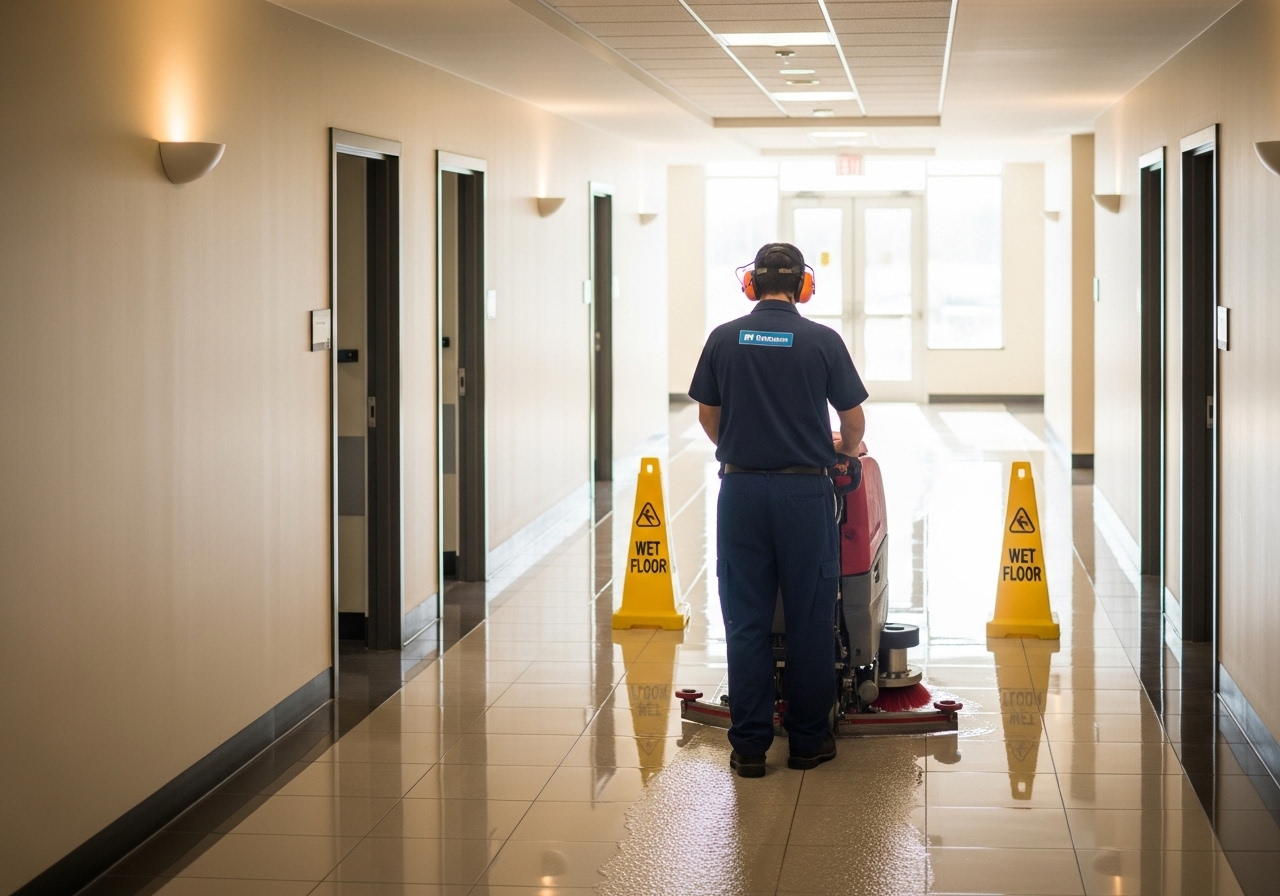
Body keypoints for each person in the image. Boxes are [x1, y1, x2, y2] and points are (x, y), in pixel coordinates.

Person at [688, 242, 868, 777]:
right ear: (803, 287)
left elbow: (708, 417)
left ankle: (748, 747)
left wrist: (743, 448)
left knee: (746, 620)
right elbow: (853, 422)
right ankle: (808, 743)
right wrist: (843, 448)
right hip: (803, 497)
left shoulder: (723, 338)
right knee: (811, 619)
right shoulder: (822, 341)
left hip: (740, 494)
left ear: (750, 283)